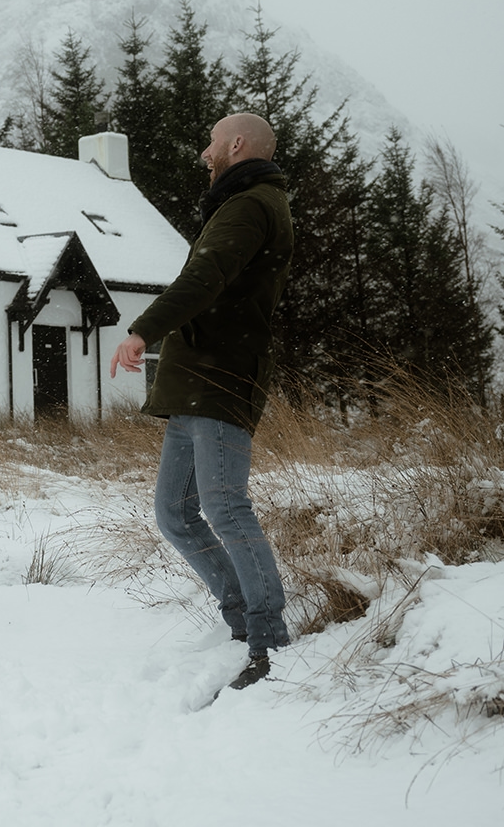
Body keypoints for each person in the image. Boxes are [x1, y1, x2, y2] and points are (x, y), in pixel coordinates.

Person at [110, 113, 293, 690]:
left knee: (225, 507)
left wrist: (144, 329)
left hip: (221, 378)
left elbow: (204, 279)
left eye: (211, 141)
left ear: (236, 144)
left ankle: (269, 639)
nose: (203, 151)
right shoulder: (241, 202)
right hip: (195, 383)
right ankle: (241, 619)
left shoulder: (252, 204)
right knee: (175, 512)